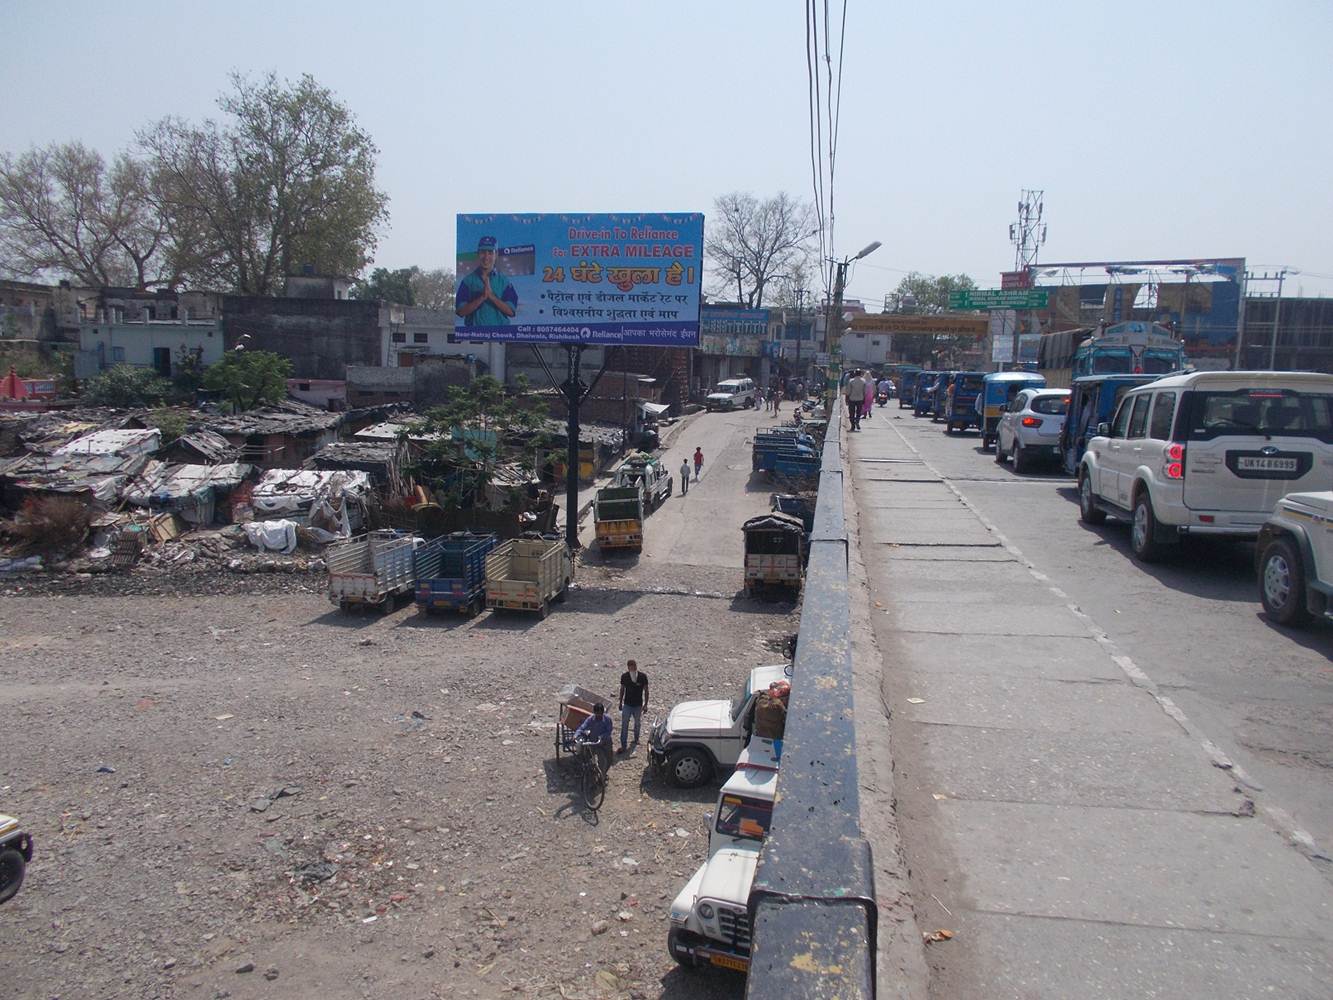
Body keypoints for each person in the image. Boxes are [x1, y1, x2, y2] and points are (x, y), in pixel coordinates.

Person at [455, 236, 518, 327]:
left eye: (490, 252)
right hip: (475, 336)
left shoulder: (504, 281)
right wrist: (482, 297)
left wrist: (491, 296)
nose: (486, 257)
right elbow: (461, 312)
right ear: (478, 254)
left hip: (501, 335)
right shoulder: (467, 281)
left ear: (496, 255)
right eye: (483, 252)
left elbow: (511, 312)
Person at [617, 660, 649, 753]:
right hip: (627, 704)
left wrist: (645, 704)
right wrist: (620, 702)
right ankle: (623, 744)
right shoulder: (625, 677)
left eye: (634, 666)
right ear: (628, 667)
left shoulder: (642, 677)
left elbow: (646, 690)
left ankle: (636, 739)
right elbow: (622, 689)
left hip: (638, 705)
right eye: (631, 666)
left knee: (637, 723)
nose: (633, 668)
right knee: (624, 724)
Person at [574, 702, 614, 775]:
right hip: (594, 742)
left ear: (603, 713)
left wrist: (602, 737)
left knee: (608, 759)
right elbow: (582, 727)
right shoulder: (590, 719)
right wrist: (576, 735)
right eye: (597, 714)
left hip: (605, 742)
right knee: (587, 758)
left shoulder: (608, 719)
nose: (599, 716)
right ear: (594, 712)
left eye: (600, 714)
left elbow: (609, 731)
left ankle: (603, 775)